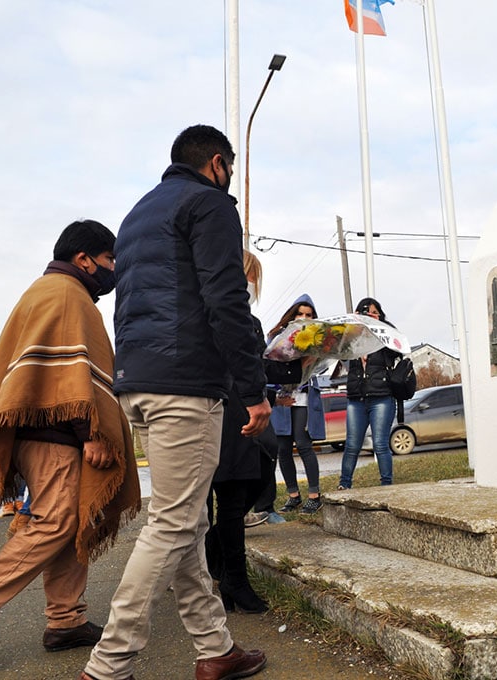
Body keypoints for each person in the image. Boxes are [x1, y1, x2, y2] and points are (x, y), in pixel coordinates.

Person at [83, 124, 270, 680]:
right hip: (185, 383)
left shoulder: (139, 214)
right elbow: (226, 297)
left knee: (182, 522)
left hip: (140, 378)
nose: (230, 177)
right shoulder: (209, 204)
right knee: (171, 524)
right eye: (230, 167)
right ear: (217, 163)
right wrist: (254, 392)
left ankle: (216, 649)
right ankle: (108, 666)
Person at [0, 220, 141, 669]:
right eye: (109, 261)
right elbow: (71, 378)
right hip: (58, 434)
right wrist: (93, 434)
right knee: (58, 520)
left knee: (73, 518)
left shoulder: (44, 291)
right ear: (85, 259)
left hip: (40, 430)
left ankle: (65, 620)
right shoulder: (68, 296)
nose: (113, 270)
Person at [206, 250, 293, 614]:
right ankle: (226, 577)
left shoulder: (250, 321)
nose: (251, 284)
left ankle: (230, 577)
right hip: (221, 407)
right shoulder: (217, 311)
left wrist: (297, 362)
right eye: (249, 275)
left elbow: (260, 368)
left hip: (238, 409)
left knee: (234, 493)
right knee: (217, 498)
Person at [268, 294, 327, 514]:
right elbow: (269, 361)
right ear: (292, 315)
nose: (304, 317)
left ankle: (314, 495)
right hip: (281, 396)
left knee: (303, 443)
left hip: (303, 396)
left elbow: (323, 364)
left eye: (308, 315)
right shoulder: (276, 336)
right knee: (283, 447)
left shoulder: (318, 338)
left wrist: (314, 359)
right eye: (300, 313)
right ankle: (293, 495)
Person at [338, 297, 402, 489]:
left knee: (381, 444)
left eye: (375, 312)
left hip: (382, 396)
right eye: (366, 312)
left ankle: (386, 485)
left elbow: (399, 349)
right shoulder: (352, 338)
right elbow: (339, 352)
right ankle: (344, 484)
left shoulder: (386, 336)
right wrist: (352, 324)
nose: (371, 315)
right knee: (351, 445)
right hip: (356, 397)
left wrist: (378, 326)